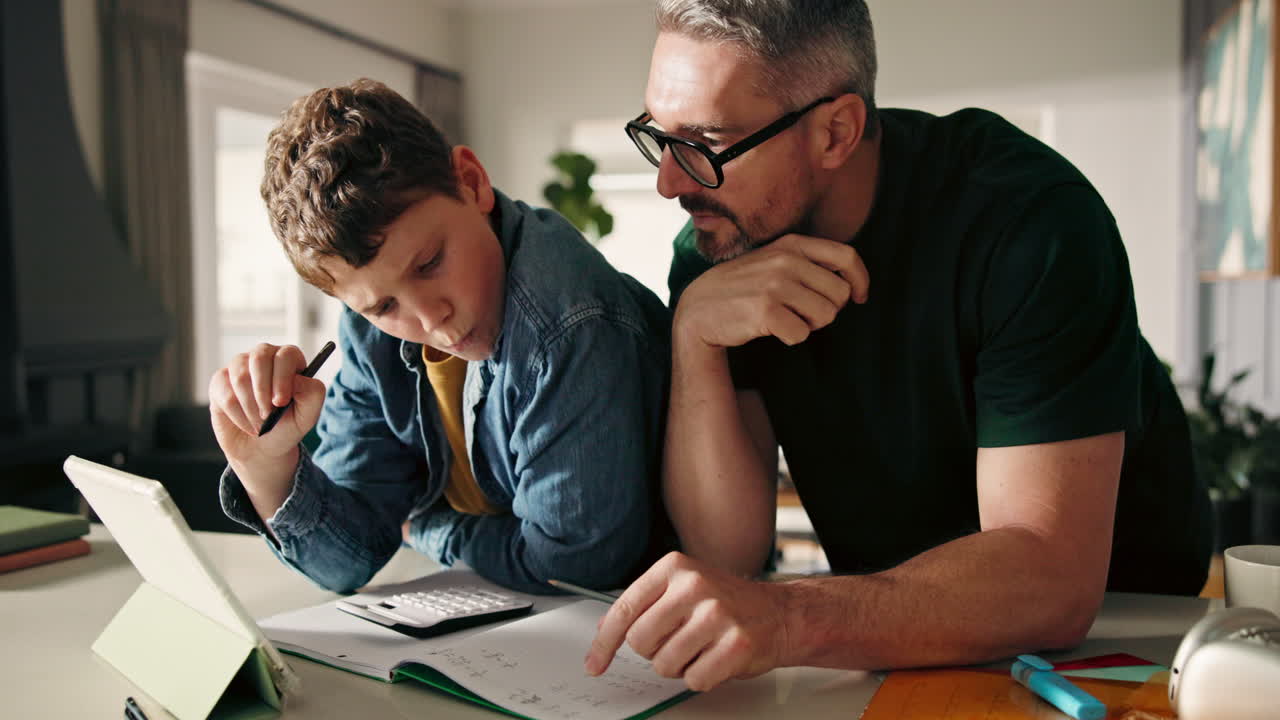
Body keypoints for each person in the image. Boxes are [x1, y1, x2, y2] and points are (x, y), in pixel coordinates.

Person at [586, 0, 1212, 692]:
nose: (669, 181)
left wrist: (788, 617)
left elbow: (1050, 579)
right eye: (659, 134)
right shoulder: (718, 248)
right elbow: (726, 551)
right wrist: (694, 334)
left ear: (836, 132)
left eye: (703, 144)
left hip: (1128, 639)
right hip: (896, 637)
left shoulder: (1029, 221)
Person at [209, 79, 671, 596]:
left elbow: (573, 568)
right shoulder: (368, 328)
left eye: (430, 262)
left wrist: (428, 529)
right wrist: (266, 466)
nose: (431, 319)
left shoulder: (573, 325)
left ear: (471, 182)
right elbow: (348, 561)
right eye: (384, 306)